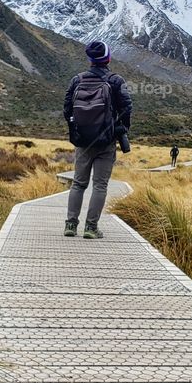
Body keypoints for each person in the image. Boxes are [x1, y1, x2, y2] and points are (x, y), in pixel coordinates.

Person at [63, 40, 132, 239]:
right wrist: (120, 129)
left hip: (83, 141)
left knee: (78, 184)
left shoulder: (77, 80)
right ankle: (91, 228)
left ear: (90, 59)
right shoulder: (116, 81)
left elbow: (67, 109)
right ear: (108, 58)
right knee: (100, 185)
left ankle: (70, 225)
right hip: (106, 141)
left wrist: (77, 129)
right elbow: (127, 108)